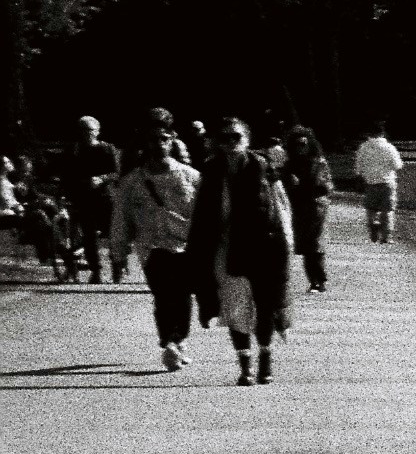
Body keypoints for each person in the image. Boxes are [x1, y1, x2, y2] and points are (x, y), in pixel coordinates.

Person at [187, 118, 293, 384]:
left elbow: (281, 209)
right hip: (226, 249)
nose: (231, 143)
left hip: (263, 246)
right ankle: (244, 364)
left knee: (265, 306)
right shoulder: (211, 170)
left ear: (246, 139)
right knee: (234, 308)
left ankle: (265, 358)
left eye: (236, 137)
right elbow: (200, 213)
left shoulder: (263, 167)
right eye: (224, 138)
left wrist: (286, 244)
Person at [109, 128, 200, 371]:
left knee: (182, 296)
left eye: (164, 139)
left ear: (172, 141)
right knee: (162, 294)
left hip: (183, 246)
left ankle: (179, 339)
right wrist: (118, 251)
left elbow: (204, 216)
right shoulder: (132, 182)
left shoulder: (190, 177)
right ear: (145, 144)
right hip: (150, 247)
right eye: (153, 139)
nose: (159, 144)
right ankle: (168, 343)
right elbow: (121, 218)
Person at [60, 116, 121, 283]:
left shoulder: (108, 149)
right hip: (84, 198)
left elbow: (117, 172)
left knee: (114, 234)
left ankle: (117, 266)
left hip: (106, 197)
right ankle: (96, 270)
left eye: (90, 130)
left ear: (98, 132)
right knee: (88, 236)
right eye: (83, 130)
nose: (87, 134)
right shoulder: (74, 150)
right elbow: (66, 175)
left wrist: (101, 178)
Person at [280, 122, 336, 290]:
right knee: (305, 247)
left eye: (303, 144)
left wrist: (302, 183)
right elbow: (283, 187)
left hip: (316, 208)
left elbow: (326, 187)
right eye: (297, 145)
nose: (300, 148)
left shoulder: (319, 163)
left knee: (315, 245)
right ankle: (314, 280)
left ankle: (320, 280)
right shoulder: (290, 165)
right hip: (298, 208)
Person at [349, 124, 403, 242]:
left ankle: (373, 224)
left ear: (369, 134)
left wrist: (361, 175)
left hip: (370, 182)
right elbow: (397, 165)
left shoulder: (363, 148)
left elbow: (358, 167)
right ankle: (386, 237)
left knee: (371, 208)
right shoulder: (389, 148)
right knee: (387, 210)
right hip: (387, 182)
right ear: (383, 134)